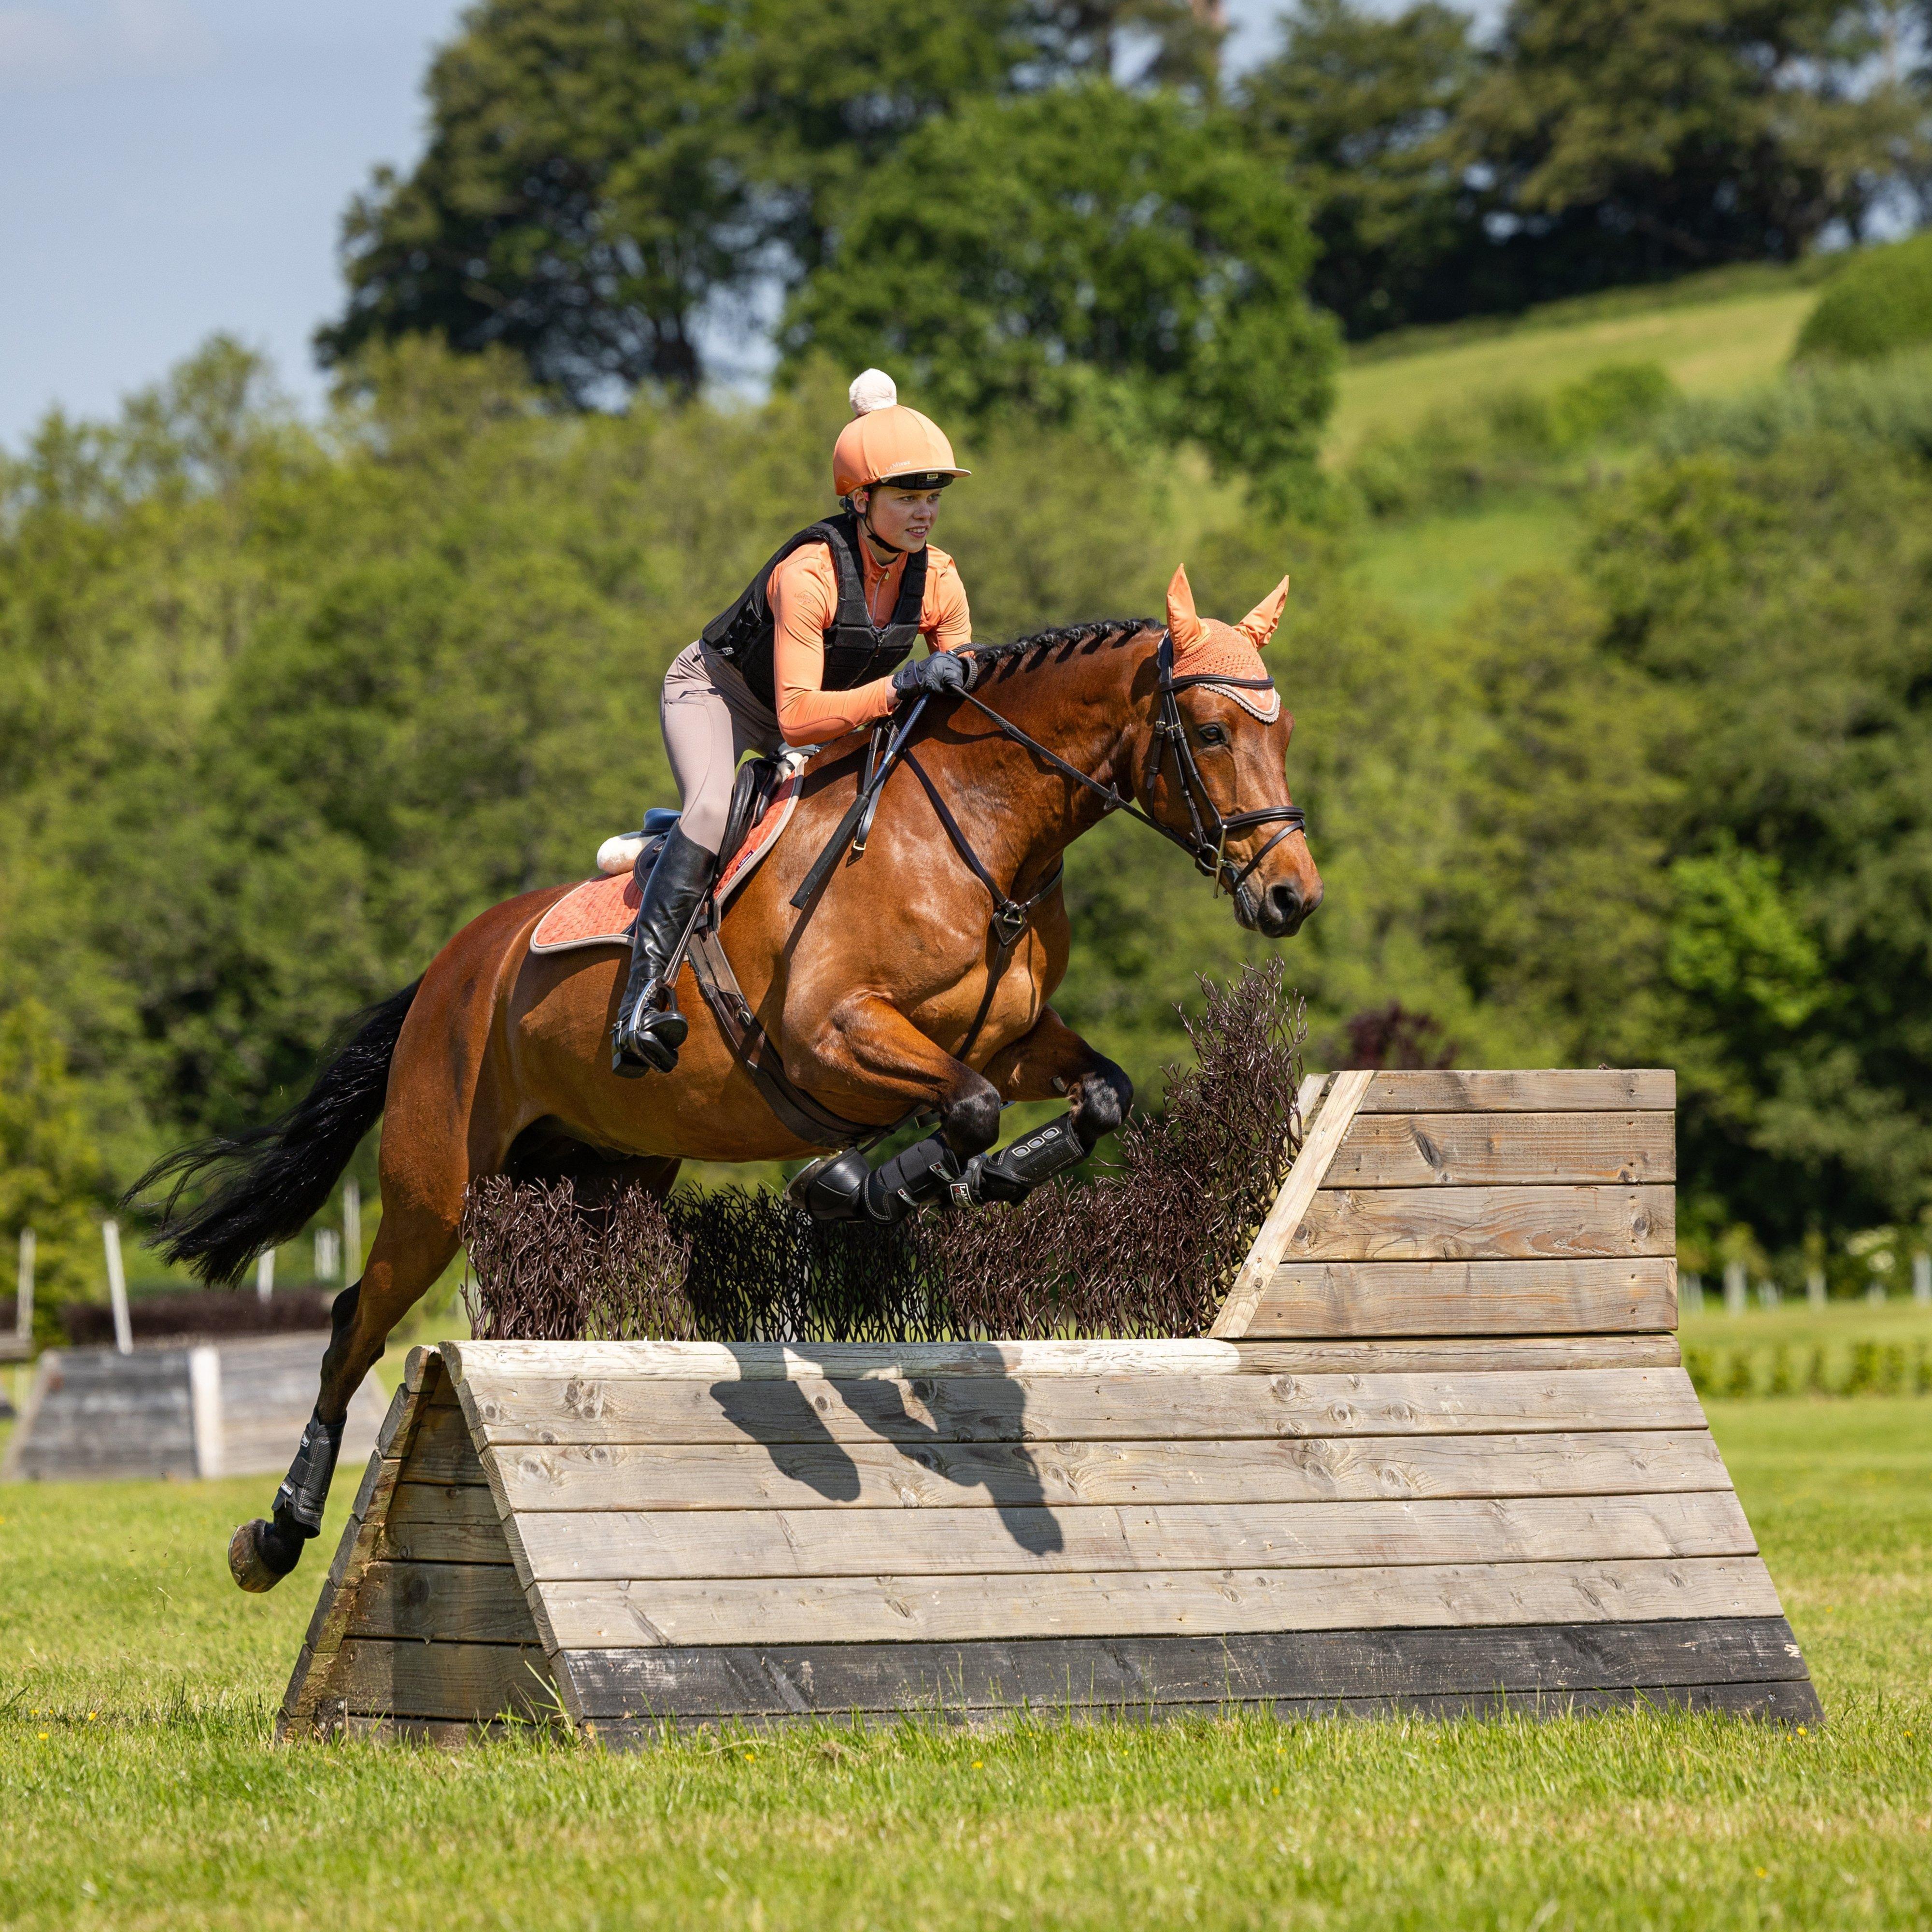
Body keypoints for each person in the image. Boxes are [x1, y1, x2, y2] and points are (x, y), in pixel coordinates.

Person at [611, 370, 977, 1077]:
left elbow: (953, 691)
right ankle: (640, 1002)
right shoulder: (810, 573)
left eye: (932, 498)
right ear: (860, 499)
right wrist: (902, 683)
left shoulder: (939, 579)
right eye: (907, 498)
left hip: (822, 715)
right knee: (716, 808)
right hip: (721, 695)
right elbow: (800, 718)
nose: (925, 513)